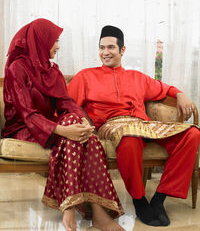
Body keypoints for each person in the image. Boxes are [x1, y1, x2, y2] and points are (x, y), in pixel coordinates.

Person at [68, 25, 200, 227]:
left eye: (111, 47)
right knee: (129, 138)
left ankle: (159, 199)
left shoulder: (136, 77)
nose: (105, 52)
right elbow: (66, 104)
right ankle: (139, 200)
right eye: (102, 47)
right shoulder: (85, 76)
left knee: (192, 134)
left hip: (143, 125)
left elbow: (166, 89)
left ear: (122, 50)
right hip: (112, 126)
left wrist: (180, 94)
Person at [3, 19, 125, 231]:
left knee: (83, 131)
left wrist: (83, 122)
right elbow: (26, 114)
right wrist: (62, 130)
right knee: (72, 133)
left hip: (49, 125)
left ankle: (75, 208)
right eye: (55, 41)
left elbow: (66, 102)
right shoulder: (17, 68)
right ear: (41, 41)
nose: (58, 46)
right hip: (23, 128)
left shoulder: (52, 70)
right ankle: (93, 214)